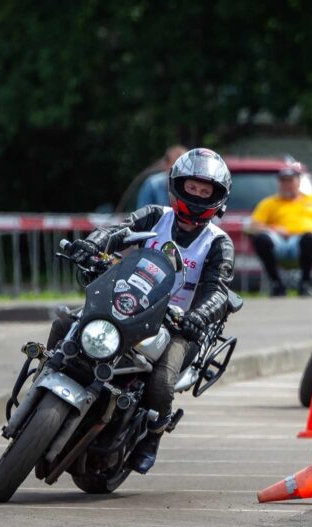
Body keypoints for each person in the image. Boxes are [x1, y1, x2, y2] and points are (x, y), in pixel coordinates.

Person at [61, 148, 236, 473]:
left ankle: (153, 435)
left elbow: (219, 292)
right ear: (177, 185)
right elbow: (118, 231)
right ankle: (51, 372)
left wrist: (197, 317)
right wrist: (93, 244)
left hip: (179, 325)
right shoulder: (156, 216)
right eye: (191, 186)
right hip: (130, 303)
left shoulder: (218, 242)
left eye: (205, 190)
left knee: (161, 384)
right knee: (66, 322)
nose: (196, 195)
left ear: (217, 197)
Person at [249, 164, 312, 296]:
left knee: (309, 238)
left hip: (307, 242)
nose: (286, 184)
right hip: (280, 243)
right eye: (283, 181)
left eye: (290, 180)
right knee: (261, 239)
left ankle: (304, 284)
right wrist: (274, 228)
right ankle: (277, 284)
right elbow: (253, 226)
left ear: (299, 182)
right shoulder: (269, 203)